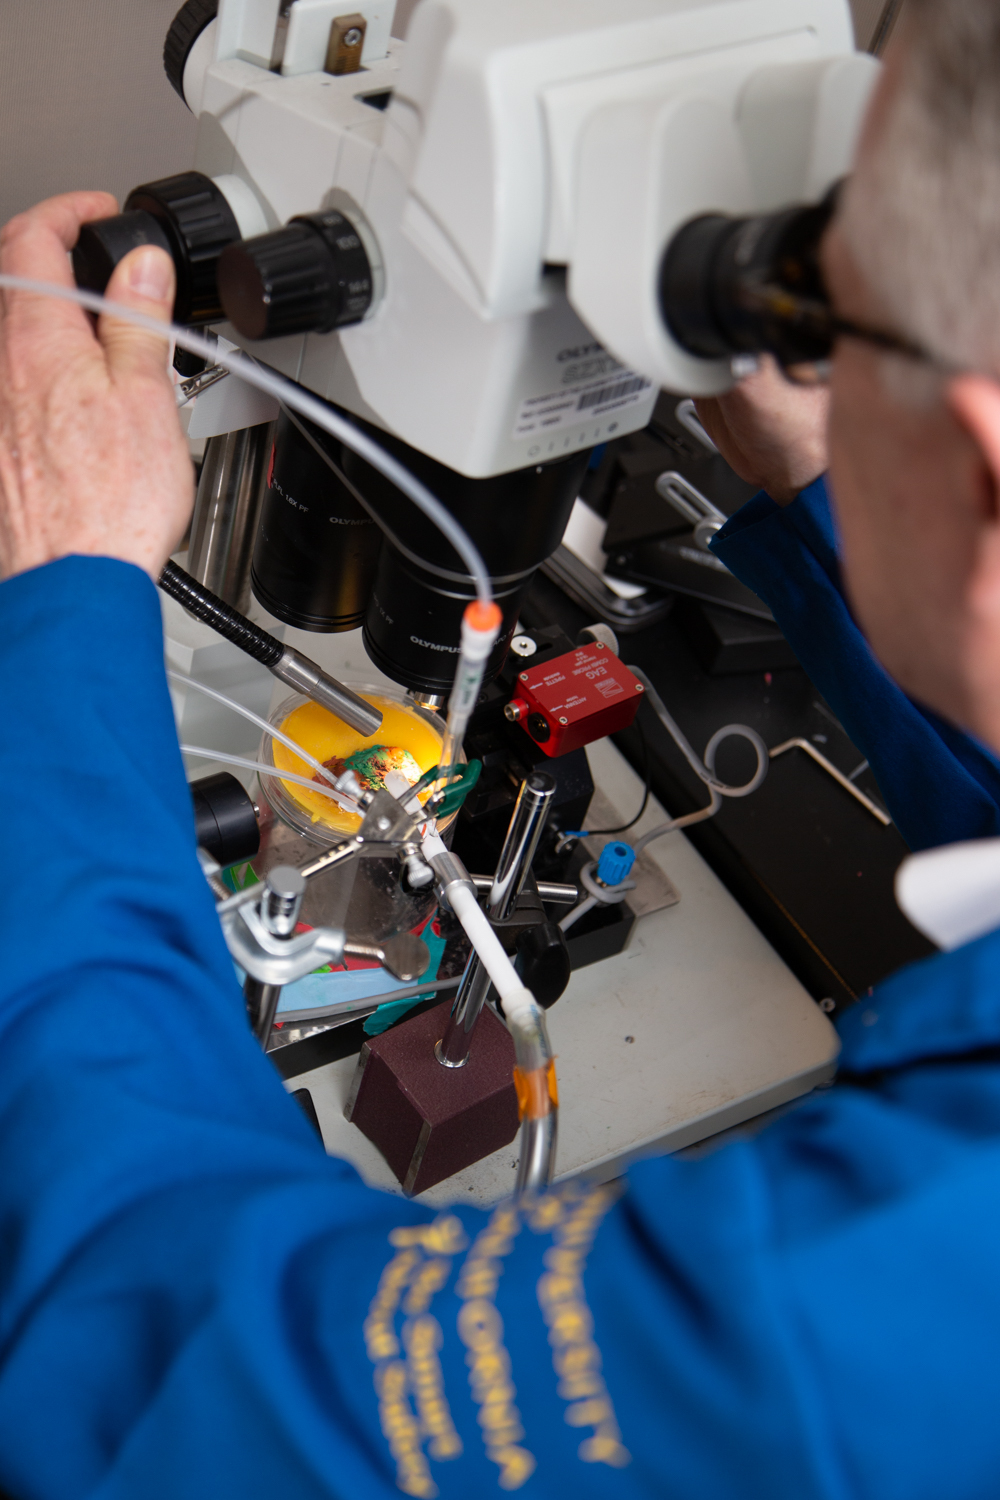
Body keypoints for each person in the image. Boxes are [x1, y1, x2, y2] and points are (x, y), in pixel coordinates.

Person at [2, 1, 1000, 1495]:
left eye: (835, 304)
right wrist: (825, 475)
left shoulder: (870, 1303)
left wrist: (62, 606)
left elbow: (154, 1359)